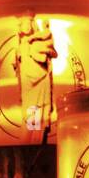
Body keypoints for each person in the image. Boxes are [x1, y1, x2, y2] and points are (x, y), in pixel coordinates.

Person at [15, 13, 58, 143]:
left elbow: (52, 53)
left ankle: (37, 142)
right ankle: (29, 145)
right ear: (20, 27)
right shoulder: (21, 46)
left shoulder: (38, 42)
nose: (27, 26)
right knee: (31, 115)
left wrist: (45, 52)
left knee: (41, 116)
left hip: (41, 79)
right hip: (29, 81)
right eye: (24, 24)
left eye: (29, 23)